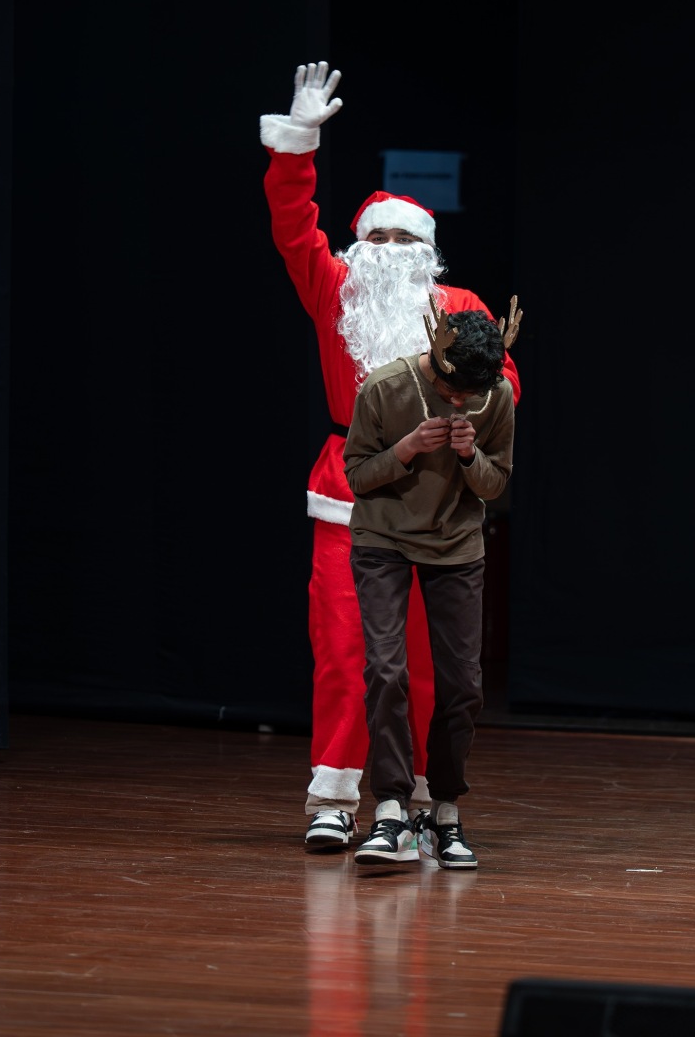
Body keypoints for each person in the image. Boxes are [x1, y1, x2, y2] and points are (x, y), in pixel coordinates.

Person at [260, 62, 522, 848]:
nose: (387, 247)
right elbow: (291, 225)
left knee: (426, 664)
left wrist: (465, 416)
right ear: (357, 246)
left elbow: (506, 381)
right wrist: (297, 146)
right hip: (352, 492)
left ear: (428, 251)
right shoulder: (336, 290)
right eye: (375, 236)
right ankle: (336, 798)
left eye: (404, 237)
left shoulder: (461, 307)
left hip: (437, 496)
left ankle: (413, 802)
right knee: (346, 652)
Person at [342, 304, 517, 869]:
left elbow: (495, 484)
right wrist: (408, 449)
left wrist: (468, 454)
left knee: (463, 684)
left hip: (457, 544)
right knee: (386, 671)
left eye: (470, 394)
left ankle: (443, 809)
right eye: (451, 390)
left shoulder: (496, 397)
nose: (459, 402)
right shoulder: (384, 387)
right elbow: (356, 475)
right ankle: (391, 808)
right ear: (436, 361)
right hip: (383, 538)